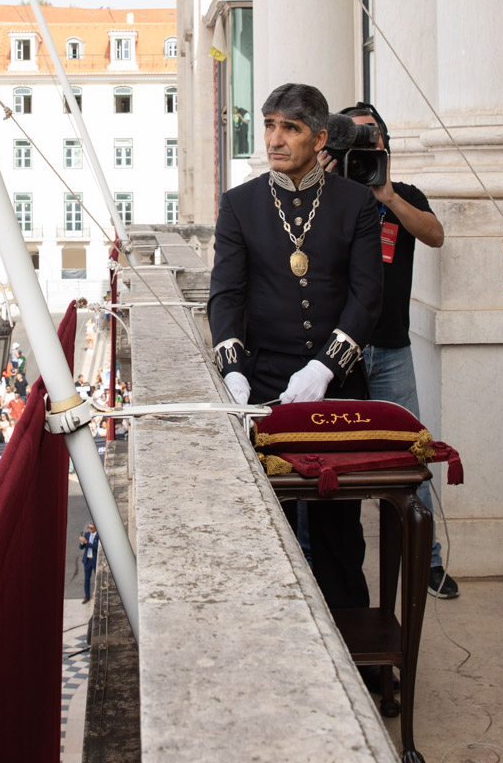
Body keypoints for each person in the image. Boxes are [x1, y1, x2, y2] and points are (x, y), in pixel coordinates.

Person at [209, 82, 384, 612]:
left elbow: (366, 294)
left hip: (336, 387)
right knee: (268, 527)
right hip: (264, 388)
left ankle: (354, 645)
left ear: (320, 137)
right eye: (269, 125)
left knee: (339, 533)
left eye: (290, 127)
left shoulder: (355, 202)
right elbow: (226, 294)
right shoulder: (239, 204)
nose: (276, 139)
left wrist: (326, 369)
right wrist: (233, 368)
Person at [330, 101, 454, 599]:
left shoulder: (403, 196)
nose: (364, 146)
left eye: (371, 136)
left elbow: (436, 235)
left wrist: (387, 196)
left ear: (386, 142)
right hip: (340, 355)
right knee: (335, 464)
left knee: (412, 458)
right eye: (352, 139)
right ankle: (337, 565)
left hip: (393, 352)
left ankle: (426, 561)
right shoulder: (330, 198)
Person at [79, 522, 99, 604]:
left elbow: (96, 547)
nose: (89, 529)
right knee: (87, 578)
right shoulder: (87, 535)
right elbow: (81, 547)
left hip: (94, 560)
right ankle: (87, 596)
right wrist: (82, 542)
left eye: (91, 528)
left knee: (96, 578)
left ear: (95, 529)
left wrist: (87, 543)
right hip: (87, 560)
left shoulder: (98, 536)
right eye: (89, 528)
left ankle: (96, 594)